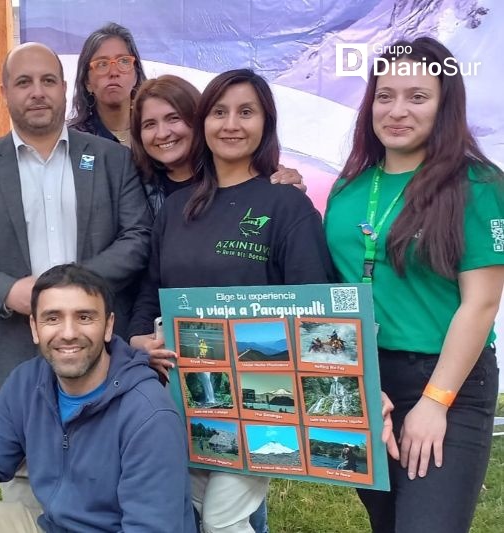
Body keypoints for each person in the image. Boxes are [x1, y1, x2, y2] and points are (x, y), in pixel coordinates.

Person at [128, 68, 335, 533]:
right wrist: (138, 339)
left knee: (223, 520)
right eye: (219, 112)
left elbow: (314, 307)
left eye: (246, 112)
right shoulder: (179, 209)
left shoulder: (287, 205)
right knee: (196, 508)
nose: (231, 124)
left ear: (266, 122)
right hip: (181, 392)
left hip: (262, 398)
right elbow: (150, 289)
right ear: (204, 122)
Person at [324, 37, 504, 533]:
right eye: (385, 96)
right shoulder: (348, 186)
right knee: (387, 522)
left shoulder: (478, 184)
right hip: (365, 383)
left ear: (446, 105)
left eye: (417, 96)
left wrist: (434, 401)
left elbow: (482, 302)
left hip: (445, 378)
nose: (397, 110)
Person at [0, 264, 197, 533]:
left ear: (108, 326)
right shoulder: (28, 383)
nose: (68, 333)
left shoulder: (148, 414)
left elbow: (151, 527)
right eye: (52, 318)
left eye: (85, 317)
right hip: (52, 526)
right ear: (34, 327)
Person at [0, 41, 150, 401]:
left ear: (64, 88)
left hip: (103, 349)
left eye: (48, 81)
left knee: (107, 454)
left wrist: (81, 288)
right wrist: (9, 292)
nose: (37, 92)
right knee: (26, 458)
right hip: (16, 353)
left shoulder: (112, 159)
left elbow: (138, 236)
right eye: (24, 82)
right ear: (4, 92)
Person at [68, 22, 147, 146]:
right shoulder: (74, 140)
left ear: (136, 75)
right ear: (87, 81)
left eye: (123, 61)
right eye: (102, 64)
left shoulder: (154, 132)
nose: (114, 72)